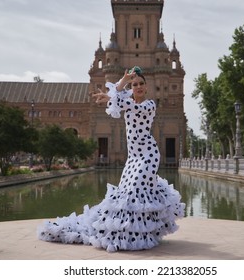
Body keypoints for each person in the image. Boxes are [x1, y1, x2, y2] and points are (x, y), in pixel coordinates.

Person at [37, 66, 185, 252]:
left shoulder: (149, 105)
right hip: (133, 158)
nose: (138, 86)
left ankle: (141, 234)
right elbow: (115, 93)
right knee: (124, 196)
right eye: (135, 84)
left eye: (141, 84)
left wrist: (112, 98)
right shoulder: (127, 98)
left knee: (135, 193)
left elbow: (131, 106)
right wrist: (124, 79)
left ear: (146, 88)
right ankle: (131, 233)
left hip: (148, 155)